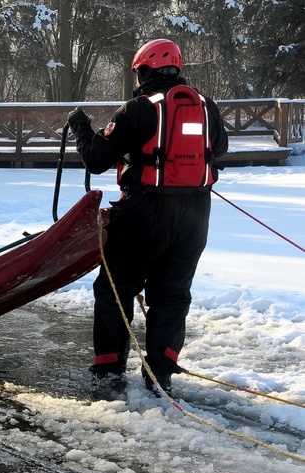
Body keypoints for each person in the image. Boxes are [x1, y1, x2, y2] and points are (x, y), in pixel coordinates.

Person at [66, 38, 229, 395]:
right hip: (195, 216)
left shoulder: (137, 108)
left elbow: (96, 159)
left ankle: (109, 372)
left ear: (144, 70)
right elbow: (219, 150)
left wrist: (81, 128)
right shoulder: (206, 108)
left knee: (114, 290)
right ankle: (160, 376)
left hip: (143, 212)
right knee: (172, 296)